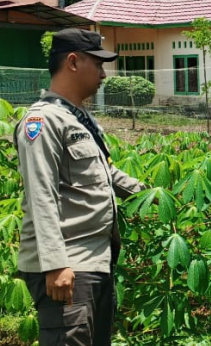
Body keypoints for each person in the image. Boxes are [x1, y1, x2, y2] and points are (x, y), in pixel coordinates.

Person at [15, 28, 143, 346]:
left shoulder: (81, 119)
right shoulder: (43, 121)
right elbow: (40, 194)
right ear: (73, 62)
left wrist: (151, 194)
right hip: (69, 263)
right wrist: (55, 263)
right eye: (98, 64)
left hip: (96, 259)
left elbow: (107, 173)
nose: (103, 74)